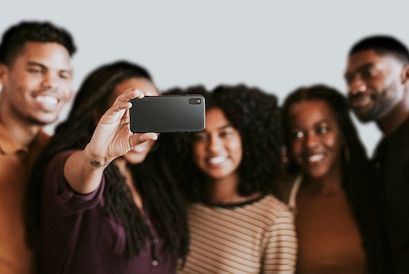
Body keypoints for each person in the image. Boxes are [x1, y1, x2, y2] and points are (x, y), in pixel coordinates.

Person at [25, 60, 189, 274]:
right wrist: (96, 158)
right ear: (99, 116)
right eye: (134, 111)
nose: (145, 126)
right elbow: (80, 178)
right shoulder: (67, 163)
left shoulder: (152, 181)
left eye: (152, 113)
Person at [164, 83, 297, 274]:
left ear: (248, 139)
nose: (213, 146)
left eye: (225, 133)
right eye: (201, 136)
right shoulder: (181, 208)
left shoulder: (274, 220)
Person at [280, 84, 385, 274]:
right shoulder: (280, 200)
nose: (310, 143)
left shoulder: (378, 189)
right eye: (297, 134)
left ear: (342, 134)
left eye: (322, 129)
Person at [0, 20, 76, 274]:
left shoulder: (59, 156)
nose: (51, 83)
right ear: (3, 75)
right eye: (36, 70)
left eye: (62, 75)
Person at [345, 35, 409, 274]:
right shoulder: (387, 147)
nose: (355, 88)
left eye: (369, 73)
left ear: (406, 75)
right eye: (350, 79)